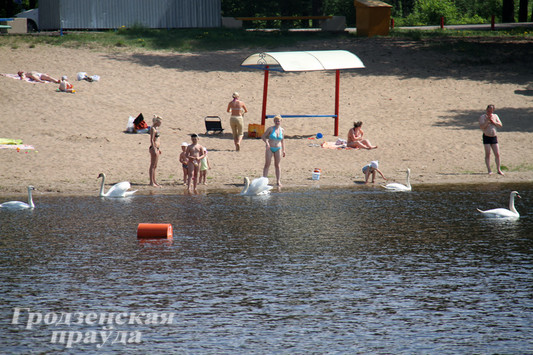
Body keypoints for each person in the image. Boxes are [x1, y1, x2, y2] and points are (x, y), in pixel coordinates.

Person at [479, 104, 504, 175]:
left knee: (497, 154)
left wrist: (494, 122)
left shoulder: (495, 116)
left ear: (493, 110)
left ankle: (498, 169)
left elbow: (500, 125)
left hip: (494, 137)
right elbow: (482, 127)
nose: (489, 112)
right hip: (486, 136)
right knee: (488, 154)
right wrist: (487, 121)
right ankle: (489, 170)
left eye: (491, 111)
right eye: (488, 110)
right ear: (486, 110)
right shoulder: (483, 117)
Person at [261, 115, 286, 187]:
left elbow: (282, 141)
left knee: (277, 165)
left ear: (281, 122)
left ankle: (278, 181)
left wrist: (284, 150)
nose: (277, 122)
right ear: (274, 122)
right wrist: (267, 143)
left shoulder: (282, 130)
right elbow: (263, 136)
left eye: (278, 121)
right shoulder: (270, 129)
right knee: (267, 164)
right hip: (270, 147)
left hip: (278, 148)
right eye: (276, 121)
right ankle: (264, 181)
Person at [148, 115, 163, 187]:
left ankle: (154, 181)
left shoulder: (157, 129)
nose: (160, 123)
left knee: (155, 165)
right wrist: (154, 148)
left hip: (157, 148)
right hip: (154, 148)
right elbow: (152, 139)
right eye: (159, 122)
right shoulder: (153, 129)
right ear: (156, 122)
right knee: (152, 165)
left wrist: (158, 149)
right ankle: (151, 181)